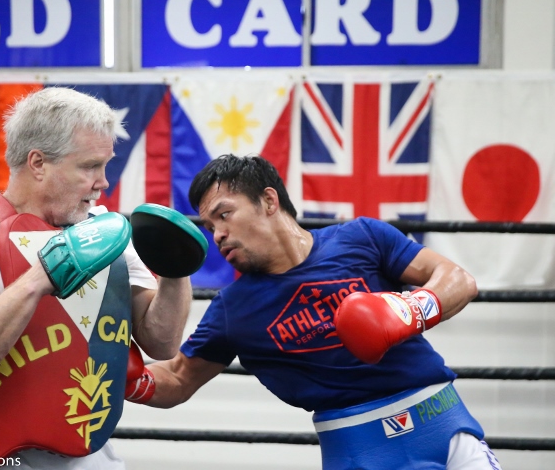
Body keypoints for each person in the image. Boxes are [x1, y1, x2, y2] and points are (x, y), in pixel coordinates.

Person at [125, 154, 503, 470]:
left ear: (269, 201)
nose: (217, 234)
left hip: (445, 427)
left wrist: (407, 311)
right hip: (359, 450)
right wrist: (121, 377)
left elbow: (456, 279)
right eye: (209, 226)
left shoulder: (363, 238)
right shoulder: (233, 308)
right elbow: (178, 378)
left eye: (224, 215)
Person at [0, 87, 192, 470]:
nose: (103, 182)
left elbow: (161, 342)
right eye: (90, 166)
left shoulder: (104, 232)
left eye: (105, 166)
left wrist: (175, 271)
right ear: (38, 163)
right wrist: (38, 279)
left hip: (91, 454)